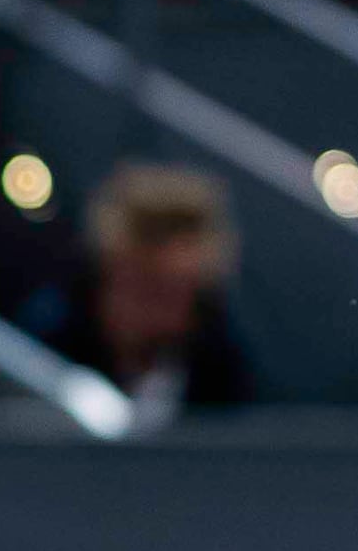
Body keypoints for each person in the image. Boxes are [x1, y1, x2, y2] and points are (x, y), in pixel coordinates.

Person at [23, 165, 259, 427]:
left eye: (174, 293)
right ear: (108, 277)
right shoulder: (46, 347)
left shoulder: (222, 372)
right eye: (145, 287)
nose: (159, 309)